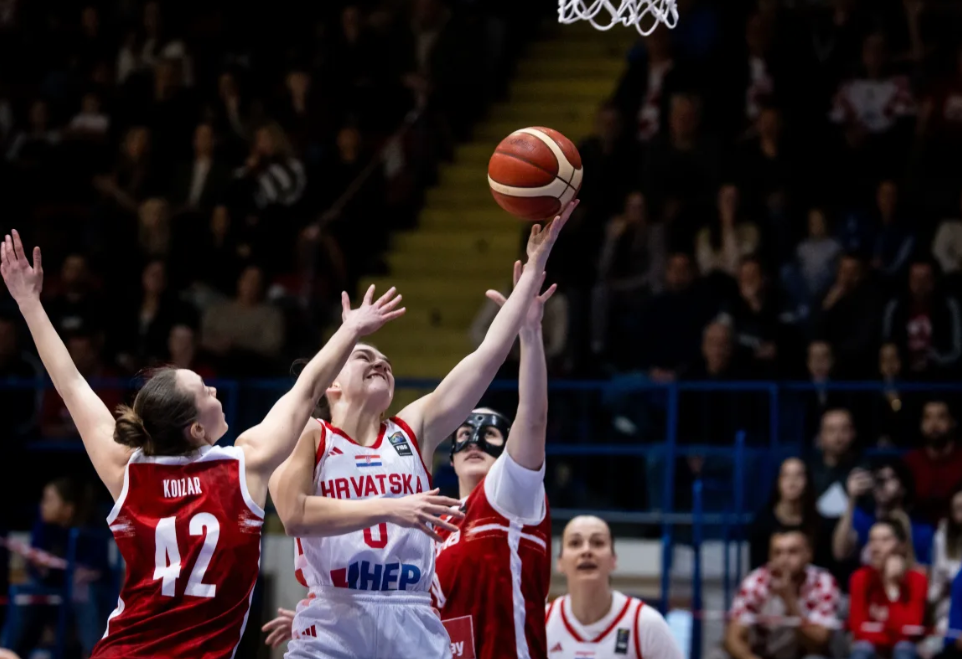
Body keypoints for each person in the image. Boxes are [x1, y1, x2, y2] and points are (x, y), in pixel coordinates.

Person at [0, 229, 406, 658]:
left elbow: (70, 384)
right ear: (195, 429)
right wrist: (351, 329)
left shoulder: (127, 472)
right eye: (204, 390)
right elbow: (307, 389)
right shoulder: (243, 469)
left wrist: (29, 303)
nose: (214, 389)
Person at [269, 201, 575, 659]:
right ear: (331, 382)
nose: (381, 363)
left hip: (412, 616)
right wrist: (392, 507)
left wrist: (534, 268)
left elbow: (487, 355)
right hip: (334, 617)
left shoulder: (411, 430)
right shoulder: (308, 433)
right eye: (365, 356)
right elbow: (294, 515)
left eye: (386, 362)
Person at [431, 256, 557, 659]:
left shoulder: (509, 493)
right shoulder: (433, 527)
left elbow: (532, 419)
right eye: (463, 435)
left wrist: (530, 334)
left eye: (489, 435)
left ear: (507, 452)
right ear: (451, 460)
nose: (474, 441)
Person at [546, 515, 683, 659]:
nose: (586, 551)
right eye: (575, 543)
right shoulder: (541, 624)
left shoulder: (646, 624)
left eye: (598, 543)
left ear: (613, 560)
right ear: (559, 562)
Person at [723, 529, 840, 659]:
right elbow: (733, 637)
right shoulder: (755, 581)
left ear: (808, 554)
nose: (784, 559)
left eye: (792, 552)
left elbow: (818, 643)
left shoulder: (823, 582)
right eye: (777, 553)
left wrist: (789, 601)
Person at [848, 519, 927, 659]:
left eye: (885, 540)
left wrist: (892, 587)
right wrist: (888, 634)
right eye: (872, 540)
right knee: (861, 651)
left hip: (904, 647)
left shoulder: (917, 580)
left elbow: (911, 629)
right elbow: (857, 628)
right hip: (870, 646)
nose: (876, 548)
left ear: (901, 546)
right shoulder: (860, 578)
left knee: (903, 651)